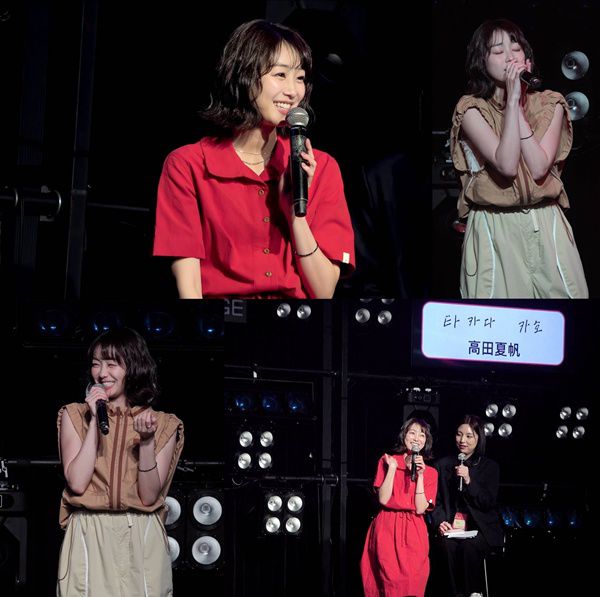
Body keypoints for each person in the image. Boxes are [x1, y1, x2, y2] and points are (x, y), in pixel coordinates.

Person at [153, 19, 355, 298]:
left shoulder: (322, 167)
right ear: (244, 76)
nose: (293, 91)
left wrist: (296, 216)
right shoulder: (188, 165)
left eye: (300, 78)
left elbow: (323, 292)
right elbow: (189, 289)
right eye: (280, 75)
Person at [451, 19, 588, 298]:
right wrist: (512, 101)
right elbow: (506, 164)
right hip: (494, 224)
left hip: (546, 222)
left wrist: (519, 102)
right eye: (498, 51)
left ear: (527, 59)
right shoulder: (471, 109)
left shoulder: (550, 103)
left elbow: (538, 167)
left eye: (516, 48)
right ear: (482, 61)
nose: (510, 56)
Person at [56, 328, 184, 596]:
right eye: (96, 364)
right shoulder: (74, 415)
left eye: (112, 364)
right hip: (89, 531)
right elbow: (77, 483)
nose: (102, 373)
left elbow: (149, 496)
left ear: (133, 367)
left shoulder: (163, 423)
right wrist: (94, 419)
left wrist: (146, 442)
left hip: (141, 534)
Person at [361, 418, 438, 597]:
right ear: (404, 436)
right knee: (390, 581)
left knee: (414, 581)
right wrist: (393, 469)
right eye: (412, 432)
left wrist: (420, 476)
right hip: (388, 527)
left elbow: (420, 508)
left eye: (422, 435)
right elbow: (383, 498)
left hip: (414, 530)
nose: (416, 438)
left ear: (426, 441)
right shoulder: (388, 461)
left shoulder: (431, 473)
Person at [430, 415, 503, 597]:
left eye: (469, 436)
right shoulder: (442, 465)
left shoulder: (490, 467)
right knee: (446, 546)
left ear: (479, 438)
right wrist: (440, 522)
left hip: (481, 530)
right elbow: (436, 502)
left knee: (469, 547)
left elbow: (487, 503)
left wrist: (469, 480)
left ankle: (473, 592)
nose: (462, 440)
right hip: (452, 528)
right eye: (459, 434)